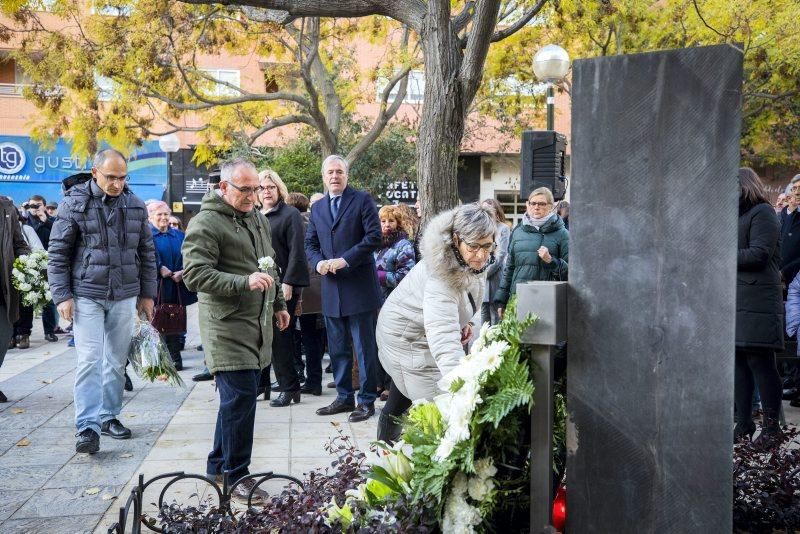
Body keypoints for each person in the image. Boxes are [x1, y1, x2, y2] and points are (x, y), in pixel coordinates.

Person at [182, 157, 290, 502]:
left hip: (256, 323)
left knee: (236, 401)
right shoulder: (205, 223)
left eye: (256, 188)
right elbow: (195, 275)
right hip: (226, 327)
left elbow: (268, 264)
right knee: (241, 398)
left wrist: (279, 305)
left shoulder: (256, 217)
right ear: (223, 187)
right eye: (245, 189)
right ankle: (236, 476)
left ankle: (218, 465)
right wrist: (242, 282)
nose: (253, 195)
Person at [47, 149, 157, 454]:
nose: (117, 184)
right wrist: (62, 296)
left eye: (122, 178)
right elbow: (57, 254)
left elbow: (147, 253)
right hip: (86, 295)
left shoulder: (135, 205)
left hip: (125, 294)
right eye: (111, 177)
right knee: (89, 359)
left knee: (116, 361)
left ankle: (109, 416)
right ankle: (87, 427)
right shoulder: (73, 204)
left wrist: (147, 295)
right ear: (95, 172)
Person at [376, 203, 496, 442]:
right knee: (438, 412)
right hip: (406, 338)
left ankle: (385, 456)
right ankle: (392, 464)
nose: (481, 255)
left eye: (487, 246)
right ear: (456, 239)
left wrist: (466, 324)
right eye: (473, 247)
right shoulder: (440, 277)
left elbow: (469, 296)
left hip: (420, 330)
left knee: (400, 398)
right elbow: (443, 340)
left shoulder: (467, 258)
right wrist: (461, 391)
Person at [305, 155, 382, 423]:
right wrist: (318, 264)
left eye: (339, 172)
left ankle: (367, 400)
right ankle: (343, 396)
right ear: (324, 177)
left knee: (363, 348)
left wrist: (345, 259)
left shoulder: (362, 200)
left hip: (359, 287)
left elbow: (374, 237)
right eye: (330, 172)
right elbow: (310, 245)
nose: (334, 176)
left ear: (346, 175)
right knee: (337, 348)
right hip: (331, 289)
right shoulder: (317, 209)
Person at [735, 167, 785, 446]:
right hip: (738, 300)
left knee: (761, 362)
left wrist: (720, 253)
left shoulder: (763, 212)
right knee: (739, 363)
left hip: (758, 300)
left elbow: (759, 254)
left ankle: (771, 428)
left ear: (744, 186)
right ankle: (743, 425)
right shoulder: (737, 216)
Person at [258, 169, 310, 407]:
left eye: (271, 187)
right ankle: (262, 384)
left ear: (279, 189)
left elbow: (298, 252)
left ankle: (290, 388)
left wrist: (289, 282)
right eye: (261, 187)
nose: (266, 191)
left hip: (282, 286)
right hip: (257, 285)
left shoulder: (290, 215)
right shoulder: (254, 215)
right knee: (260, 337)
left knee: (281, 338)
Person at [494, 187, 569, 315]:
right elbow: (509, 269)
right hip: (517, 299)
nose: (536, 207)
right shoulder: (518, 231)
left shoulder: (562, 234)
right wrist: (501, 301)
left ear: (551, 206)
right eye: (533, 203)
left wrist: (551, 261)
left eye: (541, 204)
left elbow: (571, 272)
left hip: (547, 301)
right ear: (527, 205)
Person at [148, 201, 197, 370]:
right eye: (159, 214)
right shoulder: (146, 235)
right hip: (154, 286)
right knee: (155, 322)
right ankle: (157, 361)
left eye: (166, 214)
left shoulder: (179, 235)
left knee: (174, 320)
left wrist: (183, 272)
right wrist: (159, 267)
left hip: (175, 286)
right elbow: (141, 257)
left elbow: (192, 257)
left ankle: (175, 359)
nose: (163, 218)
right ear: (150, 217)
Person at [287, 192, 326, 397]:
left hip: (302, 287)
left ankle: (309, 380)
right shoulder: (315, 220)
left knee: (301, 336)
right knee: (314, 337)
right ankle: (314, 380)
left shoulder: (295, 223)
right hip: (317, 286)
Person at [1, 196, 32, 403]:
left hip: (3, 286)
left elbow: (18, 242)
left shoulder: (7, 208)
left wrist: (28, 262)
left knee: (3, 338)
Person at [24, 195, 59, 343]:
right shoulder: (24, 222)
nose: (35, 208)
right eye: (32, 205)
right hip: (27, 264)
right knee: (26, 300)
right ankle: (25, 332)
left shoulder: (51, 222)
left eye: (38, 205)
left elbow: (60, 235)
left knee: (49, 299)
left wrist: (46, 220)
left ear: (44, 206)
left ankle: (49, 330)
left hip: (49, 263)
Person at [10, 214, 43, 350]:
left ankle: (24, 334)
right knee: (9, 304)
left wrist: (29, 262)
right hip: (6, 271)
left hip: (23, 270)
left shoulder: (26, 229)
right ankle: (10, 335)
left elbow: (37, 248)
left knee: (24, 304)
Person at [480, 198, 511, 326]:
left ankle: (495, 345)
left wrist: (485, 272)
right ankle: (483, 344)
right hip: (481, 276)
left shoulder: (503, 228)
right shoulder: (481, 228)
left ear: (495, 211)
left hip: (495, 275)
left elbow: (501, 255)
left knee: (495, 314)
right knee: (483, 312)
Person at [780, 175, 800, 285]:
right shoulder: (778, 217)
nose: (797, 192)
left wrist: (784, 272)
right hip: (775, 283)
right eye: (794, 188)